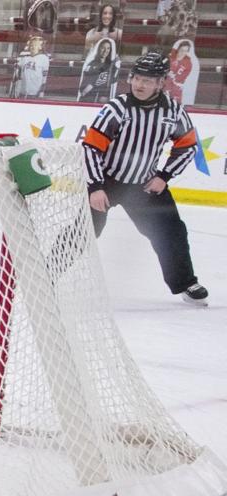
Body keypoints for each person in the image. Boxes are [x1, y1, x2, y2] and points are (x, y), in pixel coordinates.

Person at [81, 52, 207, 306]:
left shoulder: (173, 111)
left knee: (171, 231)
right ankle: (48, 272)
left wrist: (164, 176)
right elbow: (91, 148)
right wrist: (95, 186)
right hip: (107, 181)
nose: (139, 84)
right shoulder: (116, 109)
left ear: (160, 83)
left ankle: (185, 283)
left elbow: (187, 146)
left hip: (144, 185)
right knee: (82, 232)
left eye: (147, 80)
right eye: (137, 78)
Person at [77, 38, 119, 103]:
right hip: (88, 100)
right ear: (99, 49)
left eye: (108, 48)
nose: (105, 51)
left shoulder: (112, 66)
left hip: (103, 101)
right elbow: (84, 91)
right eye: (103, 48)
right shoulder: (91, 65)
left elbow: (113, 83)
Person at [165, 39, 198, 105]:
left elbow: (182, 78)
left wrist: (174, 77)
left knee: (174, 105)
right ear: (178, 49)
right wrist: (166, 72)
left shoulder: (188, 64)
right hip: (164, 86)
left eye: (185, 51)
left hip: (175, 90)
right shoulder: (170, 57)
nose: (183, 53)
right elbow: (161, 67)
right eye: (181, 50)